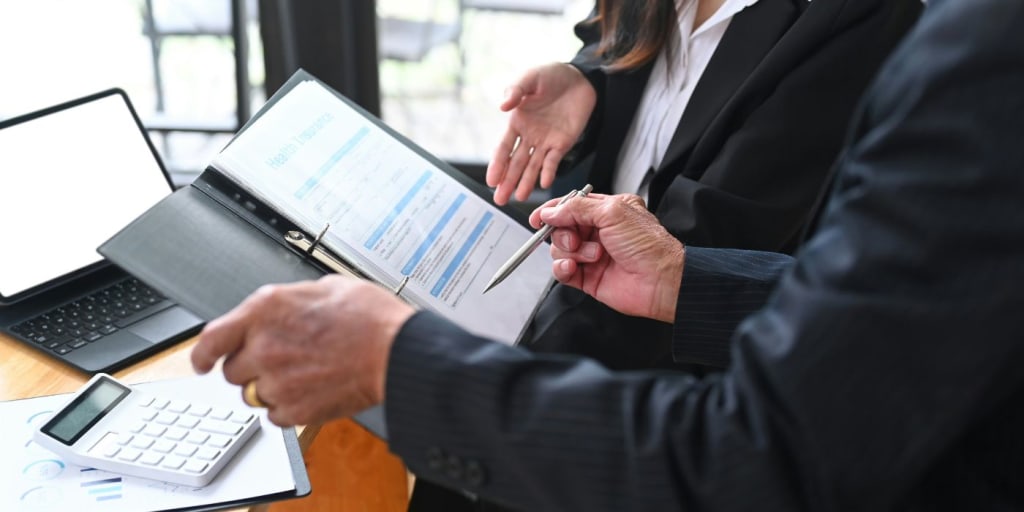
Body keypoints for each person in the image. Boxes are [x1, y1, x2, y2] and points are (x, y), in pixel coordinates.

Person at [192, 0, 1024, 509]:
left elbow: (767, 457)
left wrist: (402, 358)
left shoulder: (970, 54)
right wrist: (686, 275)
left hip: (646, 385)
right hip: (614, 300)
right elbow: (904, 322)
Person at [487, 0, 923, 371]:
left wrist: (503, 360)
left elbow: (709, 238)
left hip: (682, 365)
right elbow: (612, 40)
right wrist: (587, 79)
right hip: (574, 294)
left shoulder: (859, 13)